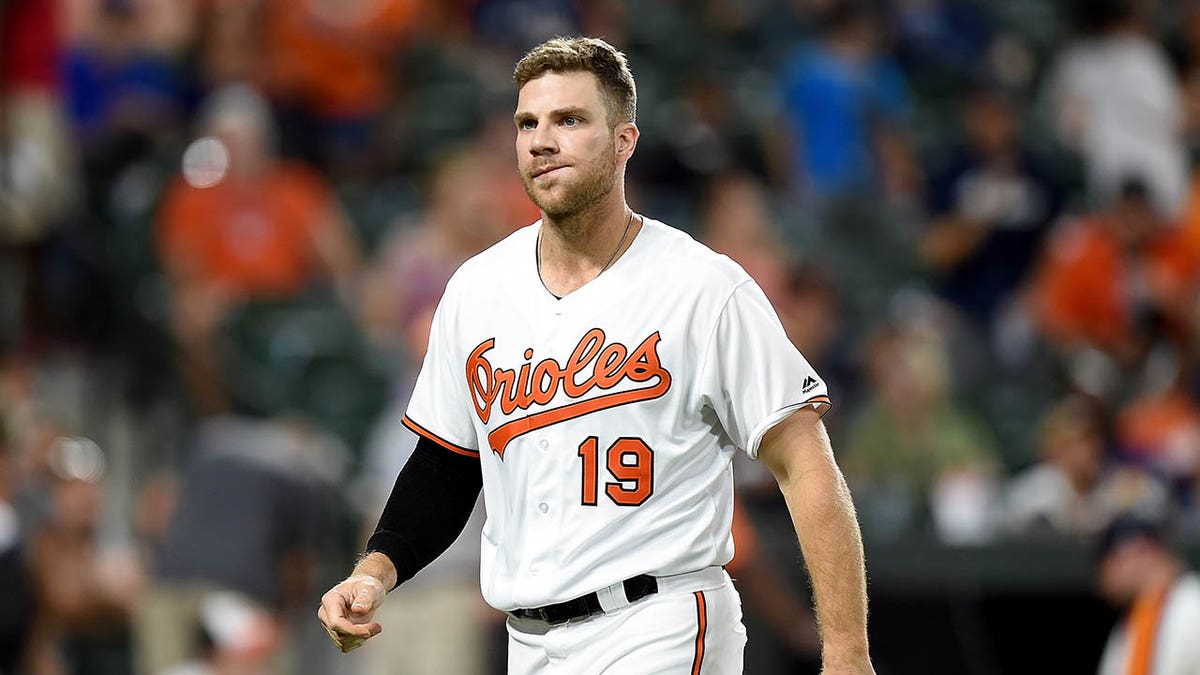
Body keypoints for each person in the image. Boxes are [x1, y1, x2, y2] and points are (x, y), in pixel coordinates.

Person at [318, 37, 873, 674]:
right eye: (528, 123)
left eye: (570, 120)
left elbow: (805, 461)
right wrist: (375, 571)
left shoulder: (702, 288)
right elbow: (446, 465)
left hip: (660, 621)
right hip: (529, 641)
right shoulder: (477, 290)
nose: (541, 140)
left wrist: (847, 653)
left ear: (624, 141)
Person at [1095, 515, 1200, 674]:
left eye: (1109, 561)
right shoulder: (1133, 619)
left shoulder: (1192, 604)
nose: (1103, 578)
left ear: (1142, 550)